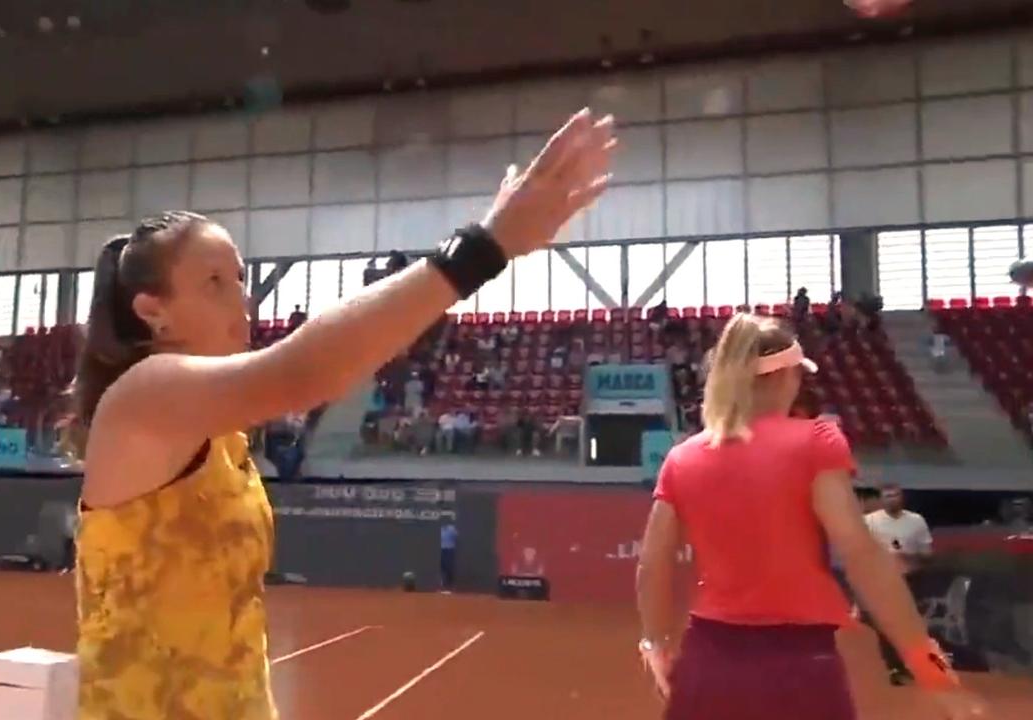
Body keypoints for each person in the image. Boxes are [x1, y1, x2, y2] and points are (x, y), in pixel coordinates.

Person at [69, 108, 617, 720]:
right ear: (153, 311)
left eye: (241, 279)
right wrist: (482, 249)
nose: (242, 300)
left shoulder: (218, 432)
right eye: (214, 283)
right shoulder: (145, 393)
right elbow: (302, 372)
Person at [636, 314, 983, 720]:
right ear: (785, 377)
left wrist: (655, 647)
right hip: (798, 667)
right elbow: (862, 557)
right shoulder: (816, 441)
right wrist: (932, 668)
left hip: (706, 665)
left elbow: (652, 565)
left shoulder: (681, 458)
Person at [864, 482, 934, 685]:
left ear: (902, 497)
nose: (891, 499)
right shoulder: (870, 521)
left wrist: (910, 555)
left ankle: (912, 664)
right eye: (887, 496)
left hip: (912, 579)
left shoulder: (916, 521)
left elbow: (928, 553)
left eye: (895, 495)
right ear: (881, 499)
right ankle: (893, 667)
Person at [439, 520, 458, 592]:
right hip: (443, 550)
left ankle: (450, 585)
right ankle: (443, 584)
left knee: (449, 567)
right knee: (442, 566)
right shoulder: (440, 529)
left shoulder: (451, 529)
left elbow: (456, 536)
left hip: (450, 550)